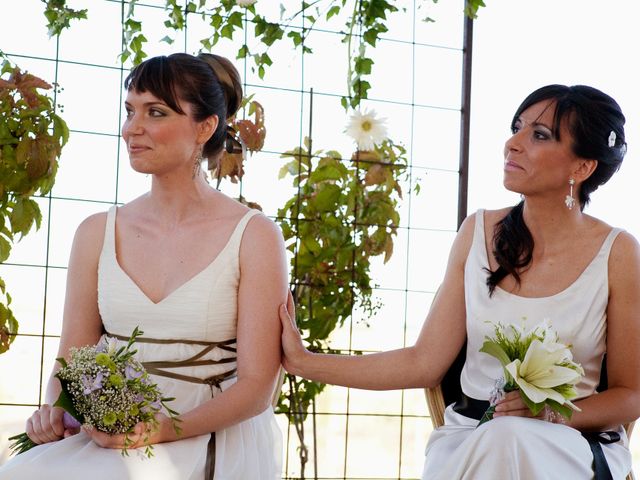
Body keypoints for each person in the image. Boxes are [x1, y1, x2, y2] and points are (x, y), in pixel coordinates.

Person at [279, 84, 640, 479]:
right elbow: (424, 362)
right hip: (468, 440)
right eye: (517, 127)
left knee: (509, 438)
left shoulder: (618, 253)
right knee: (500, 438)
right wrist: (304, 362)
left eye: (539, 135)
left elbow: (631, 394)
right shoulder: (478, 232)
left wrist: (554, 413)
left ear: (582, 167)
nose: (512, 144)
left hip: (568, 447)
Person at [0, 52, 287, 479]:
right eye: (130, 110)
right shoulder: (96, 231)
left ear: (205, 127)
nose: (132, 128)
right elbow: (71, 362)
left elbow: (257, 387)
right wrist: (54, 410)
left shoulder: (255, 236)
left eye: (155, 112)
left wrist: (156, 431)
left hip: (207, 436)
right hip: (110, 437)